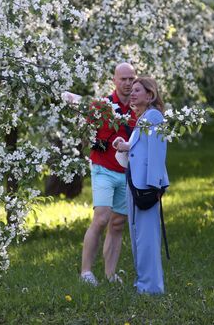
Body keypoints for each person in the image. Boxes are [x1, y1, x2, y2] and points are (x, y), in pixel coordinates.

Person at [79, 63, 137, 286]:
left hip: (127, 173)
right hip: (103, 169)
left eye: (131, 78)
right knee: (102, 217)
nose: (128, 83)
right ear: (114, 80)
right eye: (123, 79)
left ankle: (110, 275)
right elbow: (86, 138)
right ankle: (86, 272)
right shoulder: (102, 106)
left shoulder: (138, 107)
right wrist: (103, 142)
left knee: (117, 223)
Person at [115, 76, 169, 294]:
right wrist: (124, 145)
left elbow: (157, 153)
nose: (133, 93)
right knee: (138, 236)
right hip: (134, 183)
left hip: (146, 188)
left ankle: (151, 288)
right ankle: (142, 284)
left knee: (147, 239)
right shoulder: (142, 118)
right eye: (132, 90)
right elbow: (140, 148)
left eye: (138, 90)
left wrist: (154, 188)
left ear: (150, 95)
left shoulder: (154, 116)